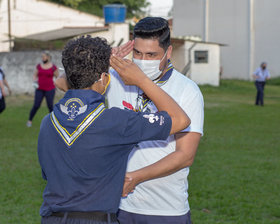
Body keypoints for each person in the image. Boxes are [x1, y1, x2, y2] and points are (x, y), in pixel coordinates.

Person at [38, 35, 190, 224]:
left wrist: (89, 62)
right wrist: (142, 81)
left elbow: (63, 83)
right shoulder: (116, 122)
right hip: (96, 219)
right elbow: (180, 119)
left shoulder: (47, 122)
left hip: (51, 218)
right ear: (104, 78)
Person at [107, 17, 204, 224]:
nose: (143, 60)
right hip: (119, 205)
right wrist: (101, 63)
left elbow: (185, 155)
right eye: (138, 53)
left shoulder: (187, 90)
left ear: (168, 53)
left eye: (151, 55)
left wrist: (136, 177)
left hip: (166, 208)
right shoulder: (115, 77)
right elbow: (63, 83)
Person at [26, 51, 59, 127]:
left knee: (50, 106)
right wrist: (34, 82)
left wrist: (57, 86)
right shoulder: (39, 66)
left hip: (50, 89)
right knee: (36, 105)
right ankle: (29, 121)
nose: (42, 58)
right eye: (42, 57)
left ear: (48, 57)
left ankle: (54, 122)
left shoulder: (53, 67)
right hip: (39, 89)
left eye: (44, 56)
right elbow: (35, 75)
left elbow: (57, 77)